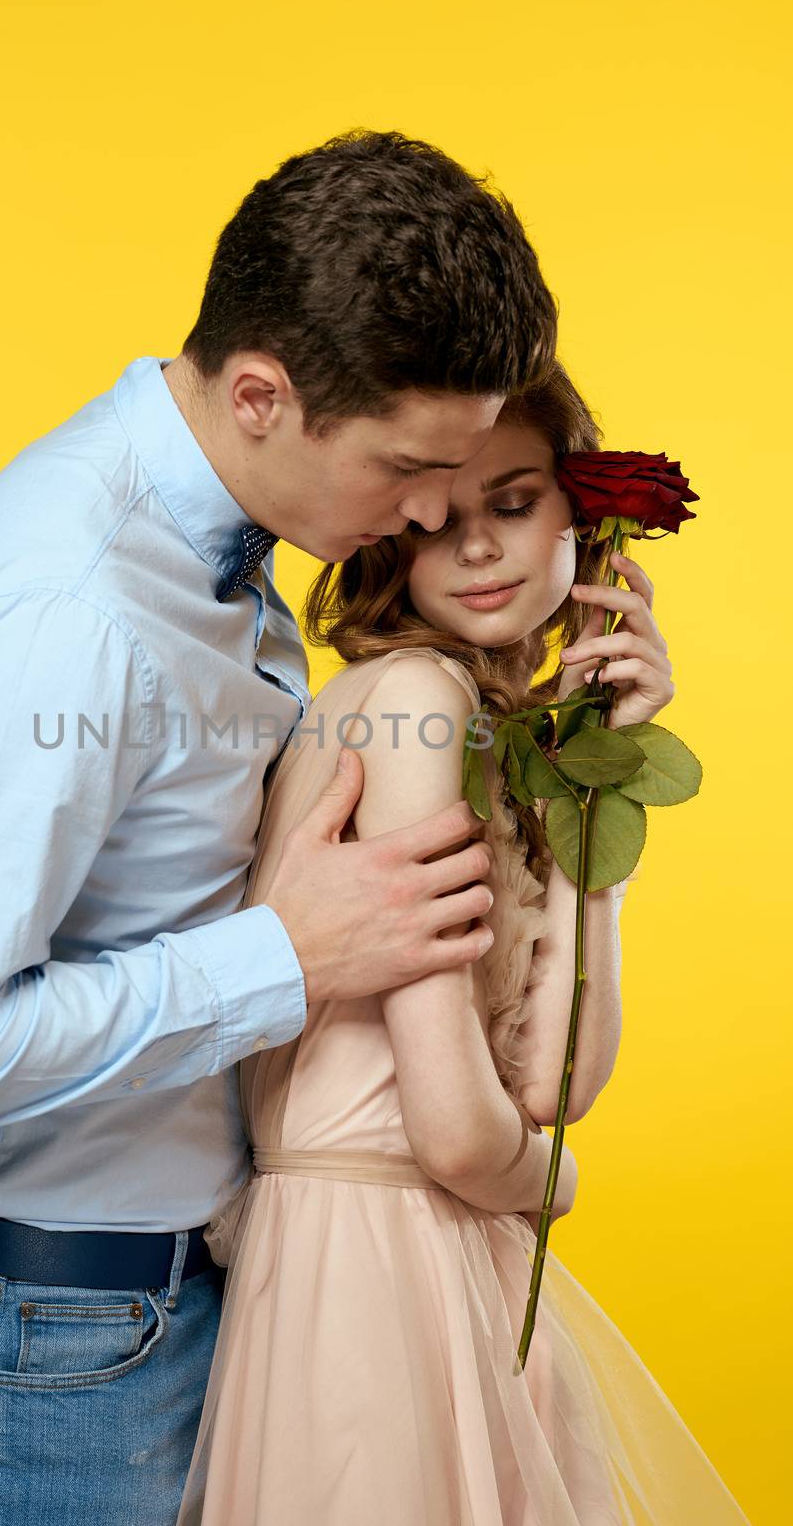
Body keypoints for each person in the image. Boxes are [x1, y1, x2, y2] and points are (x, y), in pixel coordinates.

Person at [0, 128, 561, 1524]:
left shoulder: (216, 534)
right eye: (406, 467)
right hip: (23, 1356)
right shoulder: (64, 610)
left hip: (150, 1312)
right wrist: (281, 956)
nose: (430, 511)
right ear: (262, 394)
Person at [173, 361, 752, 1525]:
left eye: (516, 501)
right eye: (446, 510)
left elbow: (550, 1081)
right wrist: (557, 1186)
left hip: (443, 1254)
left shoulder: (495, 733)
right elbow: (458, 1128)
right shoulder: (412, 700)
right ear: (399, 528)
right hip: (370, 1263)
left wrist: (601, 791)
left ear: (579, 525)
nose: (479, 547)